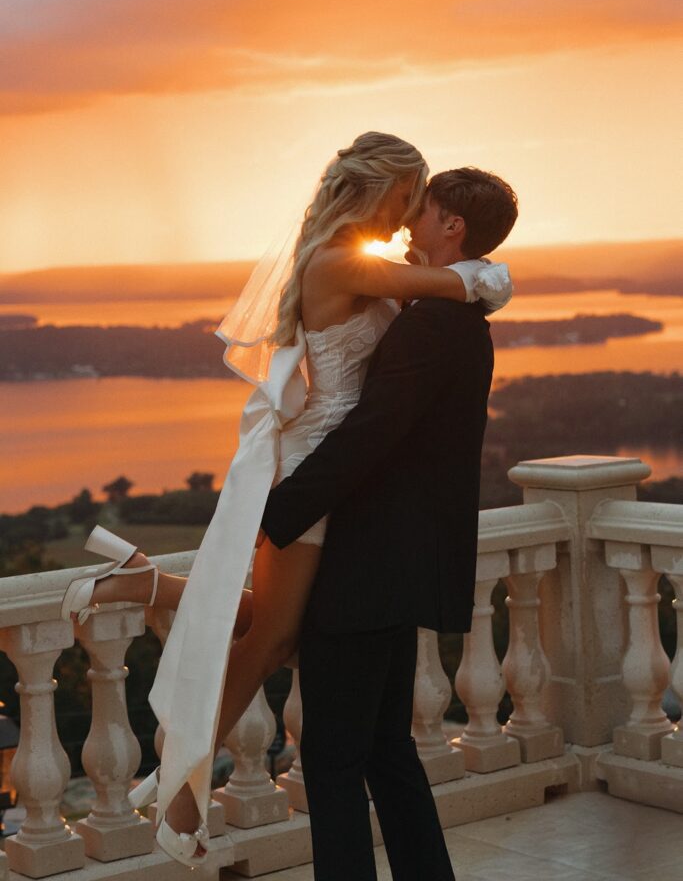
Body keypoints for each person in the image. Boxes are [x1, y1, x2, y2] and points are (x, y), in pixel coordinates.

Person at [59, 133, 513, 867]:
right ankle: (184, 779)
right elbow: (462, 286)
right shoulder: (340, 263)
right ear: (376, 189)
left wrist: (471, 270)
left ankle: (154, 586)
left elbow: (438, 300)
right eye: (406, 197)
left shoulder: (360, 263)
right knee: (273, 638)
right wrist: (490, 273)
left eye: (418, 205)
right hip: (313, 470)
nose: (405, 218)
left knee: (290, 625)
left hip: (332, 476)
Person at [258, 166, 519, 880]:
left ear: (452, 226)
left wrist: (276, 511)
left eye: (423, 209)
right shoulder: (449, 311)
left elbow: (370, 432)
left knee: (333, 759)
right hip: (397, 557)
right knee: (383, 748)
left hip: (369, 561)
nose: (408, 221)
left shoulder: (433, 322)